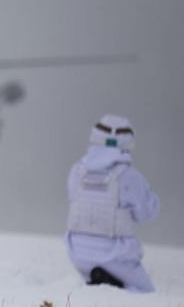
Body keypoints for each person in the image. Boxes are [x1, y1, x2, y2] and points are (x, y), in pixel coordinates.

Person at [65, 114, 160, 292]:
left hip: (77, 252)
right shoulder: (128, 176)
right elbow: (145, 214)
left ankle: (101, 284)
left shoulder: (77, 171)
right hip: (116, 253)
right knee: (145, 294)